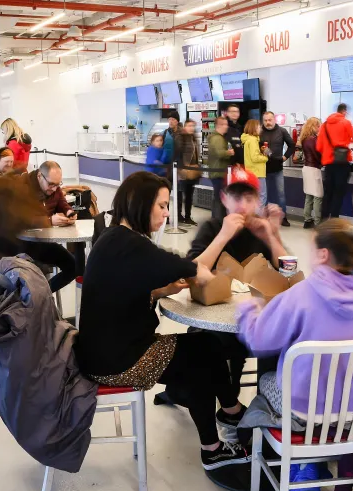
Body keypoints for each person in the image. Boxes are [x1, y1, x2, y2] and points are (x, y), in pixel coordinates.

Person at [74, 171, 252, 471]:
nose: (167, 213)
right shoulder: (131, 245)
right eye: (162, 206)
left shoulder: (114, 239)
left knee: (205, 345)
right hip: (117, 361)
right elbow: (196, 269)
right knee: (200, 360)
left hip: (101, 351)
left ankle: (230, 413)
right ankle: (215, 445)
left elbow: (121, 290)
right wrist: (223, 235)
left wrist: (161, 291)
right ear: (138, 203)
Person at [236, 218, 353, 491]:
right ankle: (338, 490)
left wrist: (247, 308)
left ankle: (301, 465)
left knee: (269, 380)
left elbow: (259, 341)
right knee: (340, 390)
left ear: (323, 255)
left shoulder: (302, 294)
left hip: (303, 414)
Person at [185, 168, 288, 399]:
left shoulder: (259, 231)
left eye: (249, 199)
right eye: (236, 197)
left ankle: (265, 406)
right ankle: (230, 405)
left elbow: (289, 273)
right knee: (207, 344)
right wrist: (223, 235)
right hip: (215, 317)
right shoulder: (212, 228)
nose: (242, 205)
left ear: (257, 202)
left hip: (254, 319)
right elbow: (190, 270)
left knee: (278, 341)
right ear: (224, 199)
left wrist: (272, 236)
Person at [0, 161, 80, 292]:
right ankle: (32, 297)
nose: (54, 188)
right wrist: (49, 220)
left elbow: (62, 203)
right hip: (12, 249)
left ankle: (40, 296)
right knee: (32, 275)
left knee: (74, 266)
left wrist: (69, 212)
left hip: (35, 244)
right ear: (39, 176)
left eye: (58, 184)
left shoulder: (52, 188)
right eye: (51, 184)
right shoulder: (19, 187)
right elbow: (18, 220)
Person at [317, 103, 353, 220]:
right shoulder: (346, 123)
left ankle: (323, 219)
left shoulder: (324, 125)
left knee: (328, 193)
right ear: (344, 111)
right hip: (342, 163)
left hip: (328, 164)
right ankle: (334, 220)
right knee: (339, 193)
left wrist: (328, 152)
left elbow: (318, 147)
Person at [260, 112, 295, 227]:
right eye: (265, 120)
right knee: (263, 196)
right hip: (263, 169)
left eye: (269, 120)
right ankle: (264, 217)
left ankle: (283, 217)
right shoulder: (259, 132)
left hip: (278, 169)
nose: (267, 122)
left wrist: (285, 157)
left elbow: (292, 145)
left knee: (281, 194)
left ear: (274, 119)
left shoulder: (282, 131)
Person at [206, 116, 234, 221]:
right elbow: (219, 153)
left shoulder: (216, 137)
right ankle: (217, 220)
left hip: (217, 171)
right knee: (219, 198)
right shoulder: (217, 138)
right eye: (225, 124)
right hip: (218, 172)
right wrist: (230, 152)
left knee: (218, 197)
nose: (227, 127)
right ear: (220, 125)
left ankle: (216, 219)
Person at [176, 119, 201, 226]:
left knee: (189, 195)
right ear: (185, 126)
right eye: (189, 126)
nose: (191, 128)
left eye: (193, 126)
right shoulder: (180, 138)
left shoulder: (194, 138)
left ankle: (187, 216)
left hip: (193, 170)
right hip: (183, 170)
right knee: (180, 194)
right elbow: (177, 154)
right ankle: (179, 216)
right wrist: (181, 168)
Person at [299, 117, 323, 229]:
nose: (319, 128)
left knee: (308, 196)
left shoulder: (304, 139)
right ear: (313, 126)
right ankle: (318, 222)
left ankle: (307, 220)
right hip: (314, 169)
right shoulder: (314, 140)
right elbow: (317, 155)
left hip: (306, 168)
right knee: (318, 196)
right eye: (318, 126)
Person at [241, 119, 270, 205]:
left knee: (253, 197)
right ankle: (258, 217)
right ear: (254, 128)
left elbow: (251, 155)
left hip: (251, 172)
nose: (260, 128)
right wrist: (265, 157)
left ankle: (252, 216)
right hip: (258, 172)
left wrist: (261, 151)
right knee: (262, 197)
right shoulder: (253, 140)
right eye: (258, 126)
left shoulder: (247, 139)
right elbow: (255, 158)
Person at [161, 111, 181, 179]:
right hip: (167, 166)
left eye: (173, 119)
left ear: (177, 121)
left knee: (178, 187)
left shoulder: (183, 134)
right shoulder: (165, 133)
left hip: (179, 167)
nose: (170, 121)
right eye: (169, 119)